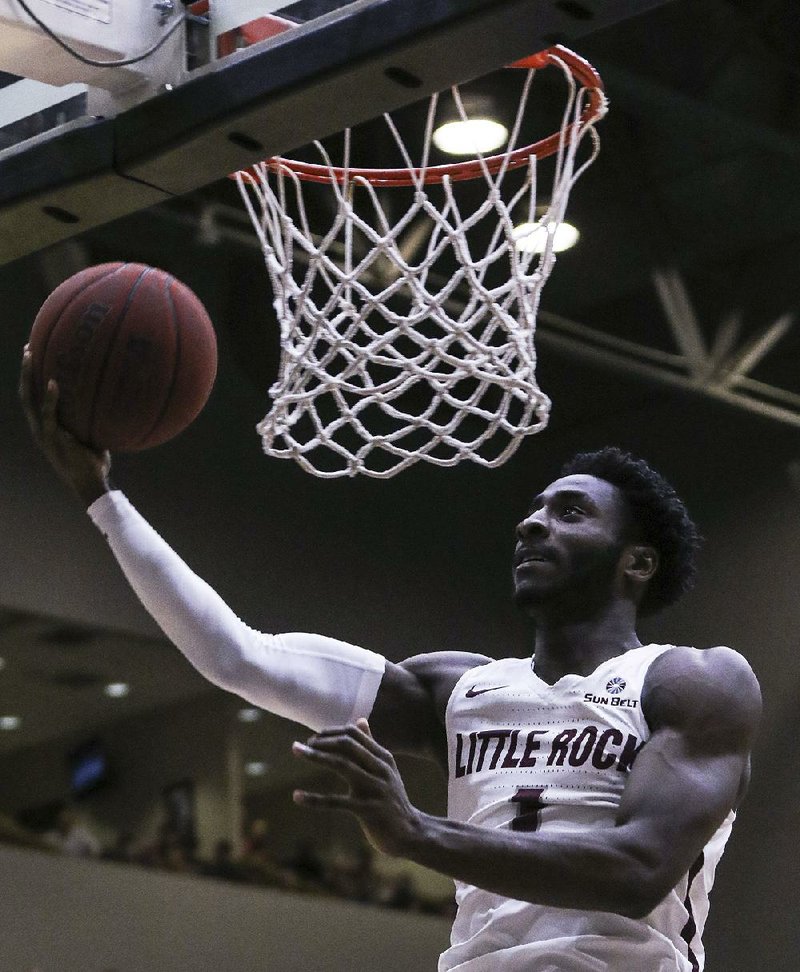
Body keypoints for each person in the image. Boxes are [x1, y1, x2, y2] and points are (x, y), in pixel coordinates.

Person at [21, 353, 761, 972]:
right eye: (533, 509)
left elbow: (637, 871)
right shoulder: (455, 690)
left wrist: (414, 834)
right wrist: (101, 498)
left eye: (570, 512)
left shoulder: (693, 681)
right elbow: (236, 655)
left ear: (637, 562)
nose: (532, 521)